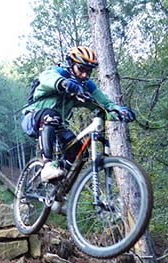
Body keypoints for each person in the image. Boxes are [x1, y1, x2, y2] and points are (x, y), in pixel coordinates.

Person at [22, 46, 136, 181]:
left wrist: (118, 112)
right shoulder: (58, 73)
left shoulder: (86, 86)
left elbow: (105, 105)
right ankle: (47, 165)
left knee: (79, 152)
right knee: (51, 116)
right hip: (33, 119)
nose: (85, 75)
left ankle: (60, 184)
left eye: (88, 71)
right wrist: (64, 83)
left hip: (58, 127)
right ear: (71, 65)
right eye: (81, 69)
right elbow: (47, 78)